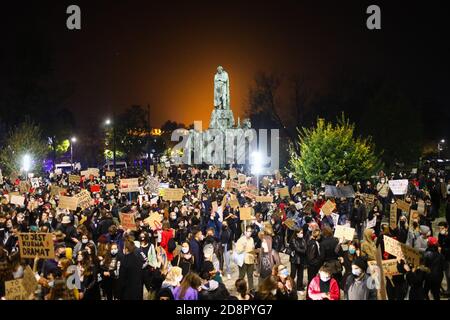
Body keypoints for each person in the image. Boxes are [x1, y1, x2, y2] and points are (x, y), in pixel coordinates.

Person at [236, 225, 256, 291]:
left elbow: (253, 248)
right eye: (248, 231)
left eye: (250, 231)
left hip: (250, 260)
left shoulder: (252, 239)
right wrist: (243, 247)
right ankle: (240, 288)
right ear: (245, 232)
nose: (249, 233)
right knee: (242, 276)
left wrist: (254, 256)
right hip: (243, 261)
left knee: (250, 275)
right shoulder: (241, 240)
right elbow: (238, 251)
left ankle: (251, 288)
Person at [289, 227, 307, 293]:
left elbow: (305, 247)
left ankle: (299, 287)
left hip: (302, 259)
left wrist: (303, 250)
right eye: (301, 233)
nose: (302, 234)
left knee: (300, 274)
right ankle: (291, 286)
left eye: (302, 233)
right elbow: (297, 249)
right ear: (296, 233)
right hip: (294, 259)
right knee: (293, 274)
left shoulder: (303, 239)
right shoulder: (293, 240)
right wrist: (304, 250)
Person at [437, 221, 450, 295]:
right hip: (443, 257)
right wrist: (439, 246)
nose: (440, 230)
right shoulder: (440, 234)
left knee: (448, 275)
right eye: (439, 228)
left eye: (442, 228)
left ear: (446, 228)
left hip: (448, 257)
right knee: (444, 274)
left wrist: (443, 249)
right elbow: (439, 243)